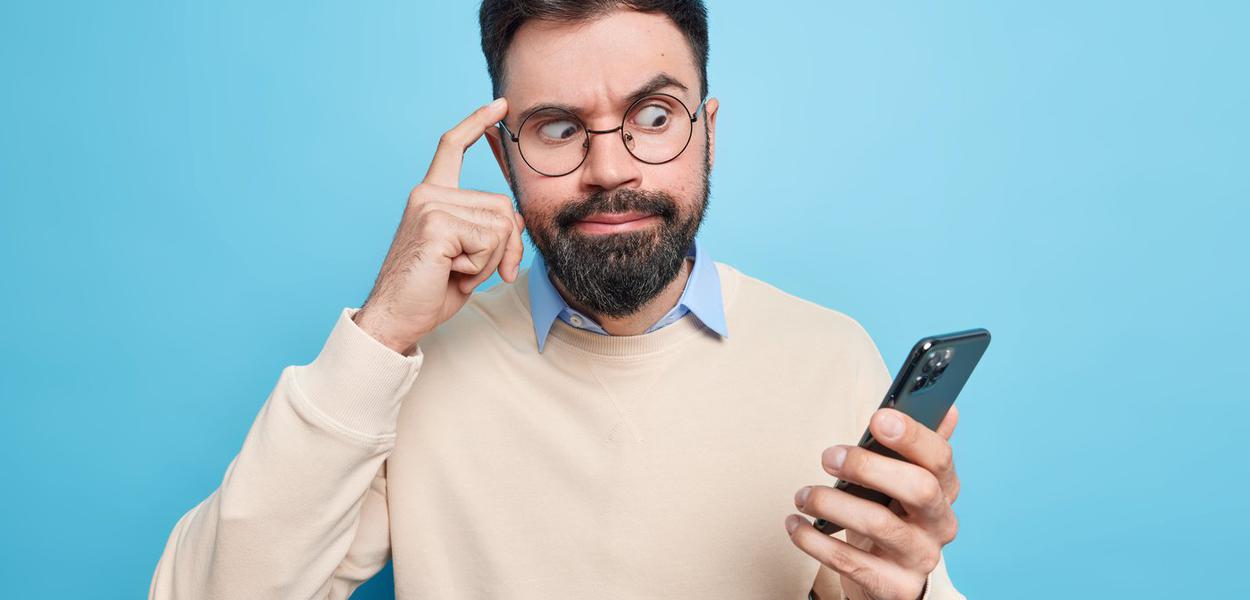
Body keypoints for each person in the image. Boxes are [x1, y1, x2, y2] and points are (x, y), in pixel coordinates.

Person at [148, 2, 966, 599]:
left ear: (709, 131)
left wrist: (909, 588)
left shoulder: (827, 353)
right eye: (558, 128)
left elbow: (888, 580)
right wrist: (381, 333)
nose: (610, 169)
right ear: (503, 159)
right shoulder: (415, 365)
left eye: (653, 115)